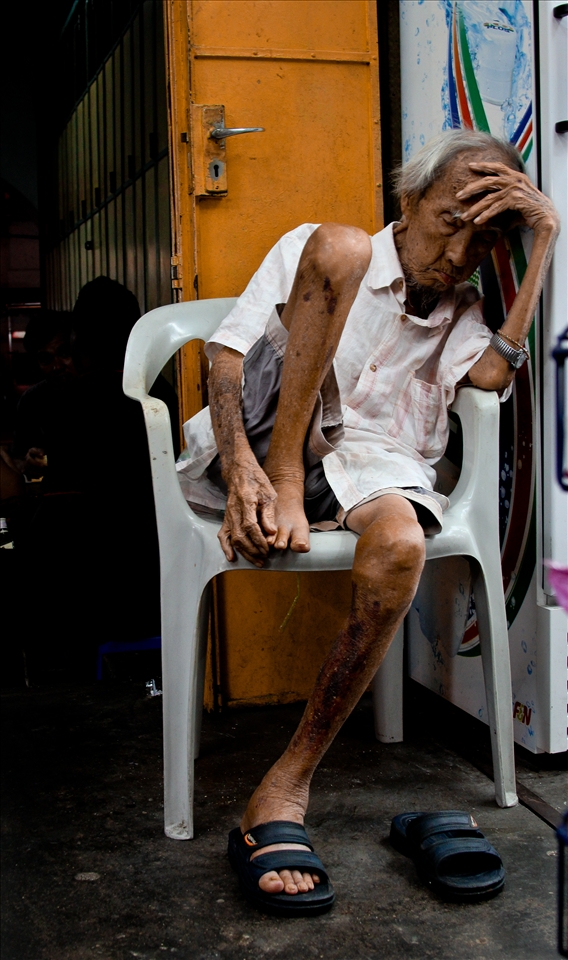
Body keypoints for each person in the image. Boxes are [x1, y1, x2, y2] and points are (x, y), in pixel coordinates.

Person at [176, 130, 560, 914]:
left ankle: (285, 786)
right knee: (344, 249)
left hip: (368, 459)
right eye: (451, 220)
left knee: (401, 542)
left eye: (483, 237)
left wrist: (545, 237)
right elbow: (226, 355)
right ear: (409, 200)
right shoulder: (324, 249)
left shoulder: (461, 310)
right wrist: (249, 467)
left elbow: (492, 374)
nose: (461, 250)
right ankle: (285, 470)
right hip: (259, 432)